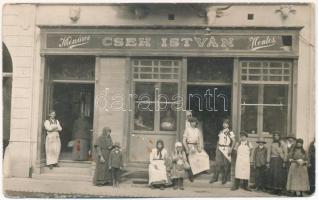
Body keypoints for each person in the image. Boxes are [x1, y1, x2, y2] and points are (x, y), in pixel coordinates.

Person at [183, 117, 209, 182]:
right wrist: (187, 149)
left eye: (194, 122)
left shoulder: (197, 130)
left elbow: (199, 140)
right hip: (190, 146)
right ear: (190, 123)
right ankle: (191, 175)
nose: (193, 123)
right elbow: (184, 141)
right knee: (192, 159)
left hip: (196, 146)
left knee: (205, 155)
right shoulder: (187, 129)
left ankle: (203, 169)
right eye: (192, 122)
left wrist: (199, 147)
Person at [210, 119, 235, 184]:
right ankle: (215, 178)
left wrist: (231, 149)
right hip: (219, 148)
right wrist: (217, 148)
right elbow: (218, 140)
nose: (224, 124)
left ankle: (225, 179)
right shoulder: (221, 131)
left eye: (226, 123)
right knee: (217, 164)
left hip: (226, 148)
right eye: (223, 123)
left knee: (226, 165)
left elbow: (234, 141)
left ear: (228, 125)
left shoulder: (230, 132)